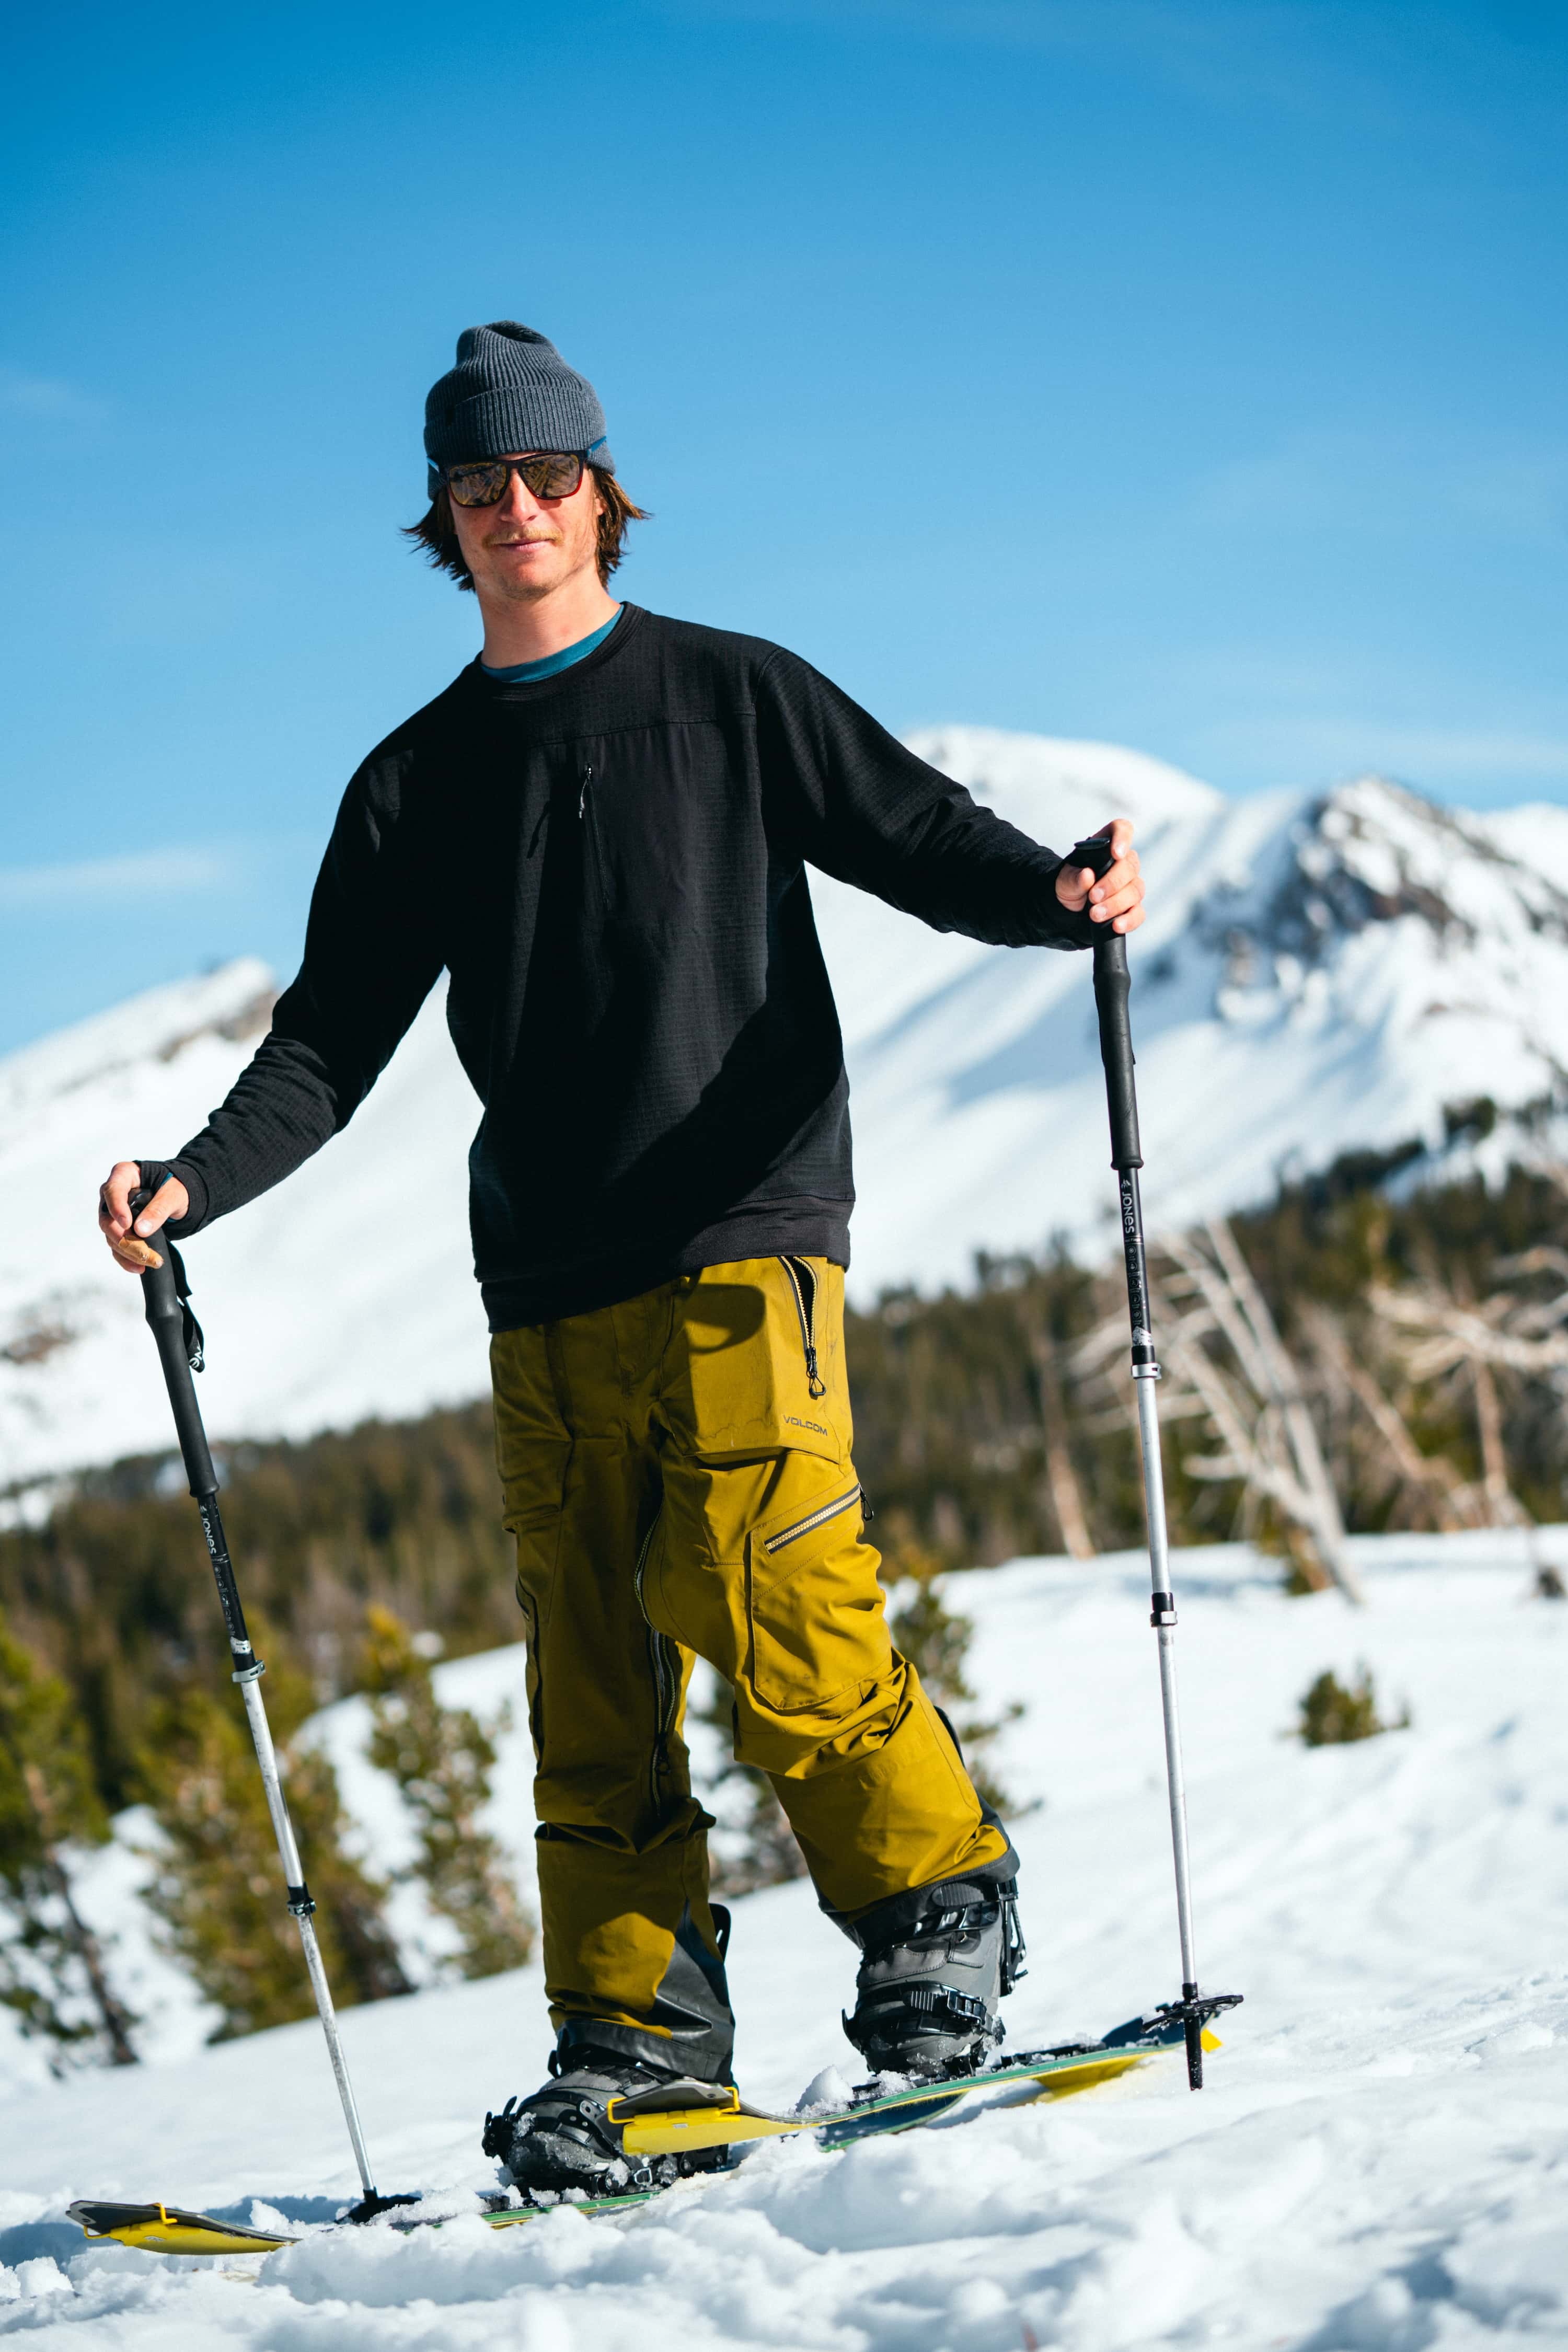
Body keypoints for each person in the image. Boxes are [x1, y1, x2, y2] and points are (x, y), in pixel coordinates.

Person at [98, 321, 1146, 2197]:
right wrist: (192, 1181)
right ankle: (638, 2030)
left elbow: (919, 838)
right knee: (588, 1661)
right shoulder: (415, 780)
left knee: (771, 1585)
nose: (518, 511)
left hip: (746, 1220)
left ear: (602, 490)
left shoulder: (734, 695)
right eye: (479, 487)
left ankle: (933, 1910)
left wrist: (1058, 898)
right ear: (446, 516)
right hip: (546, 1271)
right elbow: (334, 1036)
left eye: (547, 477)